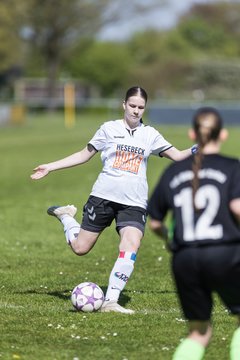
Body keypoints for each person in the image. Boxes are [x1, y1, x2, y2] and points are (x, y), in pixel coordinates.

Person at [31, 86, 194, 314]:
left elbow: (177, 156)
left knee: (131, 243)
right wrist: (50, 166)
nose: (136, 111)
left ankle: (111, 301)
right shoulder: (108, 129)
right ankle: (66, 217)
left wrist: (199, 149)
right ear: (124, 105)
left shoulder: (150, 135)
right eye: (132, 106)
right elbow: (83, 155)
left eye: (141, 107)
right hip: (103, 198)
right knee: (80, 248)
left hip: (134, 203)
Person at [147, 107, 240, 359]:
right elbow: (237, 207)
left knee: (198, 332)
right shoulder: (232, 167)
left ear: (192, 135)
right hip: (225, 254)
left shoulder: (173, 172)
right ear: (223, 135)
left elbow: (154, 221)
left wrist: (170, 239)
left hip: (185, 259)